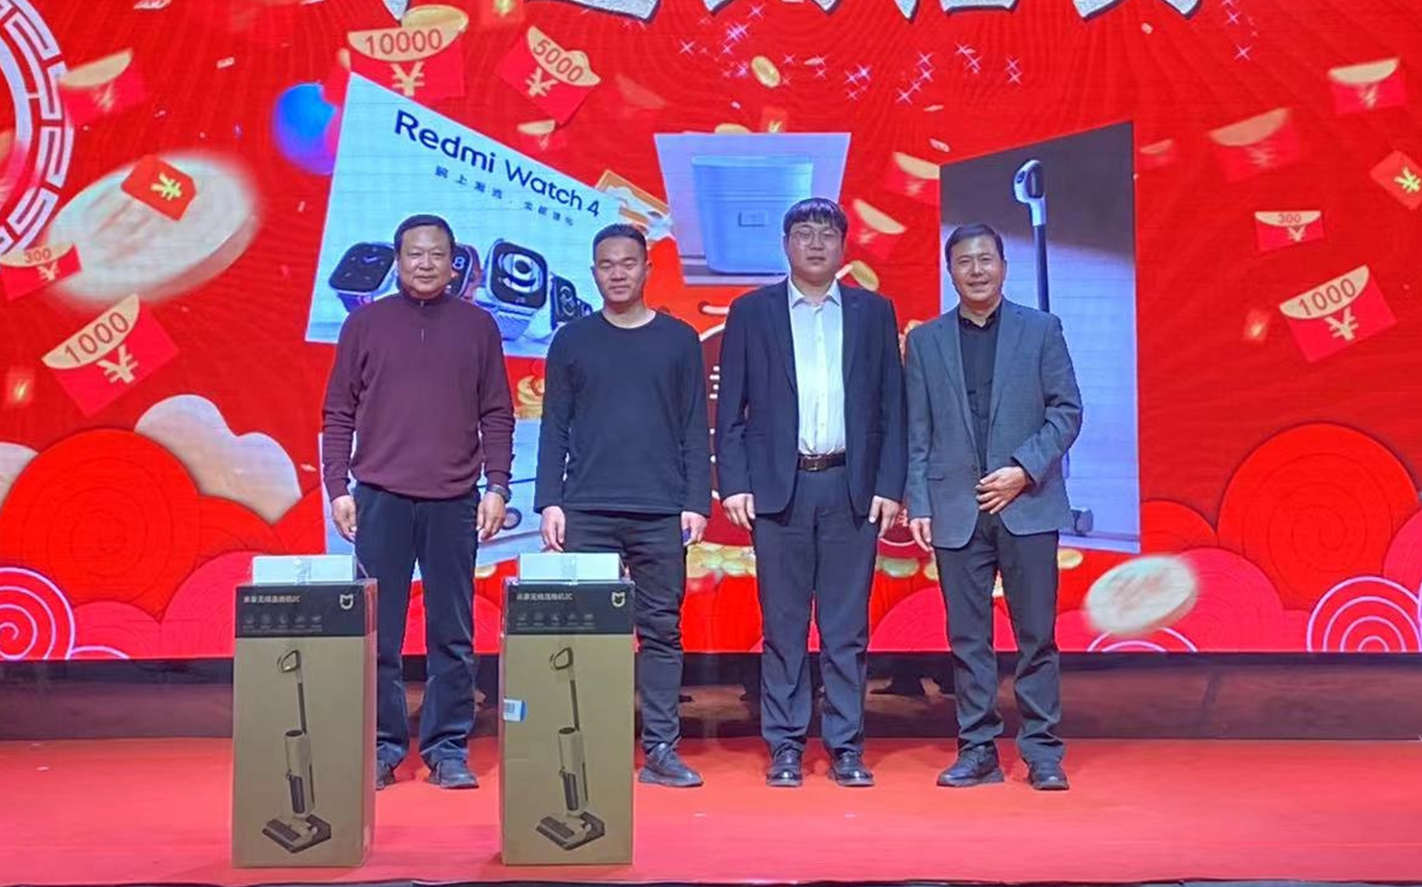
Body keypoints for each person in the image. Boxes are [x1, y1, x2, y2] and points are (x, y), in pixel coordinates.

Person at [715, 198, 907, 788]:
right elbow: (731, 410)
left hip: (851, 488)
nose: (816, 243)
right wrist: (735, 483)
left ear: (844, 246)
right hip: (781, 489)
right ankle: (786, 746)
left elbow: (893, 408)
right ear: (785, 244)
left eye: (827, 233)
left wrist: (889, 486)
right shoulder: (752, 312)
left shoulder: (874, 312)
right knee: (784, 626)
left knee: (847, 629)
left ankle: (846, 746)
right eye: (804, 233)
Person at [322, 213, 515, 791]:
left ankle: (447, 749)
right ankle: (382, 748)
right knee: (379, 632)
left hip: (454, 500)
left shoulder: (479, 326)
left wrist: (498, 485)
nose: (425, 263)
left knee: (452, 632)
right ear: (397, 260)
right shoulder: (365, 324)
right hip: (379, 496)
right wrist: (338, 488)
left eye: (437, 255)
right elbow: (338, 412)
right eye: (414, 254)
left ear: (454, 264)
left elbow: (497, 412)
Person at [903, 223, 1082, 791]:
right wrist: (918, 501)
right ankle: (977, 749)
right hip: (955, 507)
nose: (976, 270)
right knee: (967, 639)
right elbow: (917, 430)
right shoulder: (926, 341)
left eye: (986, 259)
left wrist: (1023, 470)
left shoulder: (1041, 329)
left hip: (1027, 502)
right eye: (964, 261)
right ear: (949, 271)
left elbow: (1067, 412)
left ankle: (1042, 751)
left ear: (1004, 266)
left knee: (1036, 635)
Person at [535, 223, 711, 788]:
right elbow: (554, 425)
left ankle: (661, 748)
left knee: (661, 631)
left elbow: (694, 426)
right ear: (593, 273)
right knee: (587, 636)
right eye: (607, 265)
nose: (617, 273)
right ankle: (592, 745)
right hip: (587, 508)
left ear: (647, 269)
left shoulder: (678, 339)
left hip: (661, 509)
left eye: (628, 263)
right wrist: (549, 500)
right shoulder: (572, 340)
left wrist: (696, 500)